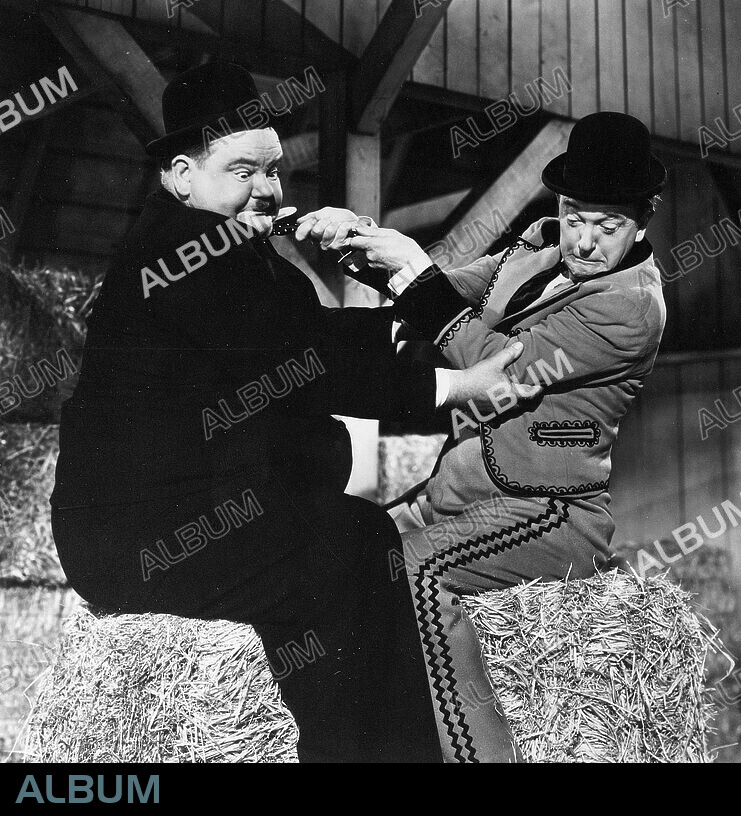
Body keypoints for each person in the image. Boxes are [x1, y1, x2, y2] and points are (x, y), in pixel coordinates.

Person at [48, 61, 536, 763]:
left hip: (188, 515)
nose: (267, 189)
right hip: (145, 539)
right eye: (242, 170)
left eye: (274, 170)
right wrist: (456, 388)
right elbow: (302, 361)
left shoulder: (230, 251)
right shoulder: (177, 252)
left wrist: (376, 271)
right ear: (181, 176)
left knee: (351, 532)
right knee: (353, 550)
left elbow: (313, 336)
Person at [339, 112, 668, 762]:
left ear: (643, 218)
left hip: (551, 511)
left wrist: (419, 288)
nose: (585, 239)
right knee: (349, 549)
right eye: (575, 215)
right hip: (465, 484)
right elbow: (463, 287)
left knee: (415, 570)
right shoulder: (541, 242)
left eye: (608, 225)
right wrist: (378, 259)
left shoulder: (630, 307)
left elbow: (500, 370)